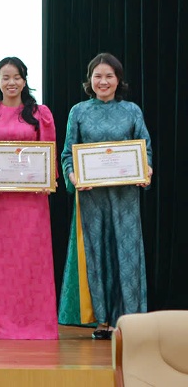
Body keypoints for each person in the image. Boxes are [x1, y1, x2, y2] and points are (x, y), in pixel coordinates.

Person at [58, 53, 152, 340]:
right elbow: (67, 154)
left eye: (109, 76)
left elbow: (145, 149)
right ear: (90, 80)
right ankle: (102, 320)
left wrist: (146, 169)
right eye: (97, 76)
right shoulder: (79, 111)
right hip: (92, 197)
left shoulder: (132, 110)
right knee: (97, 253)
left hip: (125, 196)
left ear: (118, 79)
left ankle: (129, 320)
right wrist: (74, 177)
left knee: (126, 254)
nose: (103, 81)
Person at [0, 57, 58, 339]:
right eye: (5, 77)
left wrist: (48, 179)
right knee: (0, 262)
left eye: (17, 77)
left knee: (32, 260)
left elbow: (48, 151)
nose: (11, 82)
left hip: (32, 201)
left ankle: (36, 322)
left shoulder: (40, 113)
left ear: (24, 80)